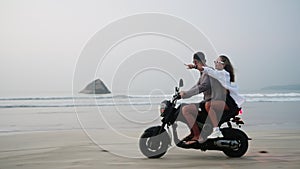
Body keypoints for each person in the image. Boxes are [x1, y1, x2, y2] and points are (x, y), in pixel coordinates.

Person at [184, 55, 245, 145]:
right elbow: (202, 81)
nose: (215, 64)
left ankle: (216, 130)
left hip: (229, 102)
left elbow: (209, 72)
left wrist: (195, 67)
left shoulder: (223, 73)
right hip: (224, 100)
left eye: (217, 62)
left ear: (223, 64)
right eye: (215, 62)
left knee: (209, 105)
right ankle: (198, 132)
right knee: (205, 105)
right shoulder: (218, 73)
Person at [179, 51, 211, 142]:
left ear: (196, 62)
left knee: (186, 109)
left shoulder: (207, 71)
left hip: (211, 101)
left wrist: (187, 94)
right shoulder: (203, 72)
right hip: (207, 101)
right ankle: (193, 132)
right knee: (184, 108)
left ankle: (197, 135)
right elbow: (197, 85)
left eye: (194, 63)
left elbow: (203, 86)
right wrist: (185, 93)